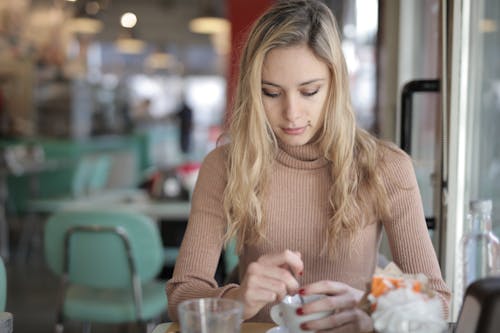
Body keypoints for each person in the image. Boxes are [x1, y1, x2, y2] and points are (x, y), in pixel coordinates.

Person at [166, 0, 451, 331]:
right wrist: (237, 300)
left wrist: (371, 312)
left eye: (309, 91)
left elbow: (439, 302)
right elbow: (181, 296)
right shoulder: (225, 165)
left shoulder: (386, 166)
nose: (291, 114)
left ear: (336, 85)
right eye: (271, 93)